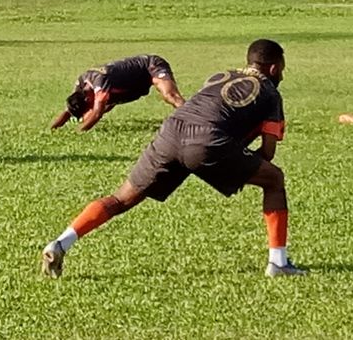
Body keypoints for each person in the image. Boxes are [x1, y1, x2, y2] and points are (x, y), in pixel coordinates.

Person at [42, 39, 306, 278]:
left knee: (121, 199)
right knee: (274, 180)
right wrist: (238, 165)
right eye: (281, 69)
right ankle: (278, 263)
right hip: (206, 142)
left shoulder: (220, 75)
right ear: (273, 69)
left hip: (170, 132)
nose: (281, 74)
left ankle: (61, 243)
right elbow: (268, 153)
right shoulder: (270, 93)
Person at [51, 54, 185, 131]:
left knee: (170, 96)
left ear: (87, 99)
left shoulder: (100, 82)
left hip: (151, 66)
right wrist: (52, 129)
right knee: (91, 116)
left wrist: (79, 132)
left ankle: (195, 117)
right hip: (132, 85)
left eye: (88, 107)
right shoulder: (80, 87)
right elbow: (68, 110)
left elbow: (97, 113)